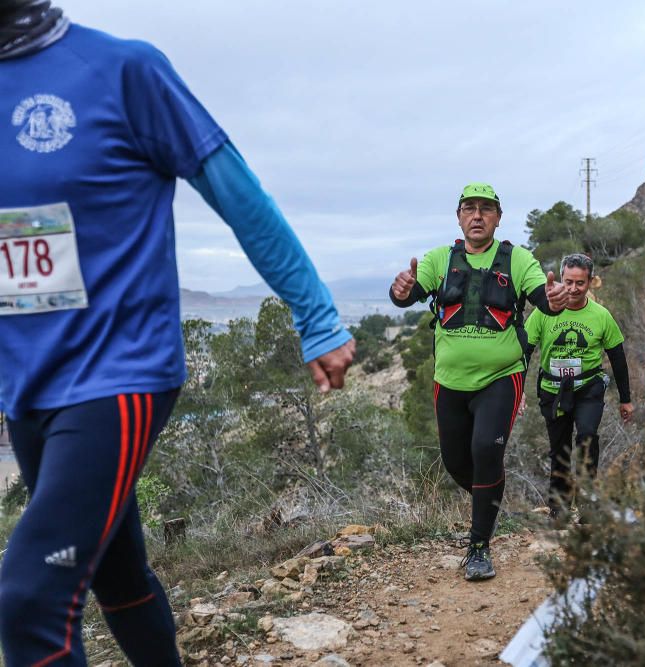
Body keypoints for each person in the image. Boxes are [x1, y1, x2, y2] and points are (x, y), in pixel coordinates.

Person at [0, 5, 356, 664]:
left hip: (119, 373)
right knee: (116, 573)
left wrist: (316, 316)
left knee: (30, 599)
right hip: (25, 388)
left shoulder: (122, 70)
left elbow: (238, 194)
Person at [390, 182, 567, 581]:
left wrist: (553, 300)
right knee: (456, 462)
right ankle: (490, 502)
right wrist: (399, 292)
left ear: (498, 218)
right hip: (449, 381)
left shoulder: (518, 260)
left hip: (501, 378)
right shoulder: (440, 259)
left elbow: (542, 296)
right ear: (459, 216)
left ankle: (478, 547)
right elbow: (409, 293)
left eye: (486, 209)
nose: (477, 216)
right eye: (469, 208)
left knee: (486, 449)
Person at [523, 253, 633, 521]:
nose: (573, 289)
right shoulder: (543, 313)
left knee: (586, 437)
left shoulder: (601, 316)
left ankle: (587, 506)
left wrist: (625, 399)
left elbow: (618, 358)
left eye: (579, 283)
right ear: (561, 279)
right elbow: (524, 353)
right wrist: (517, 393)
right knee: (559, 449)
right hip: (553, 390)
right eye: (568, 282)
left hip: (588, 389)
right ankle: (558, 509)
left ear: (589, 283)